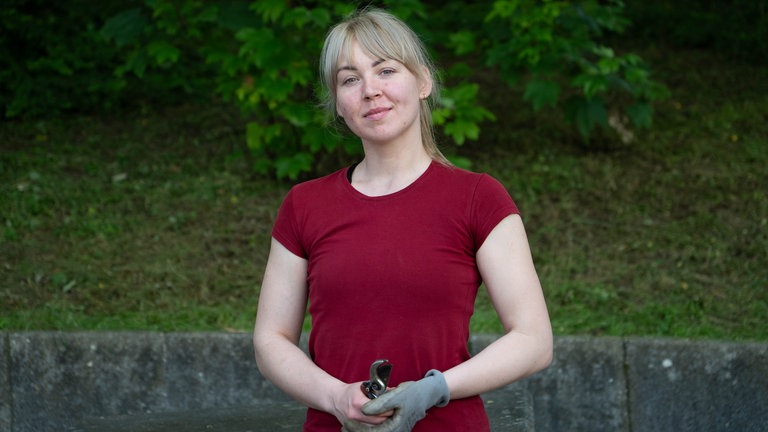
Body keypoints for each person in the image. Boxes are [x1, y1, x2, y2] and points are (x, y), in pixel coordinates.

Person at [253, 7, 553, 432]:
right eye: (350, 79)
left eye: (386, 70)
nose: (370, 90)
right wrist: (337, 399)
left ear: (424, 81)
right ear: (338, 103)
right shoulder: (304, 204)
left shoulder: (478, 198)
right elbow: (270, 341)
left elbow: (534, 341)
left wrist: (433, 389)